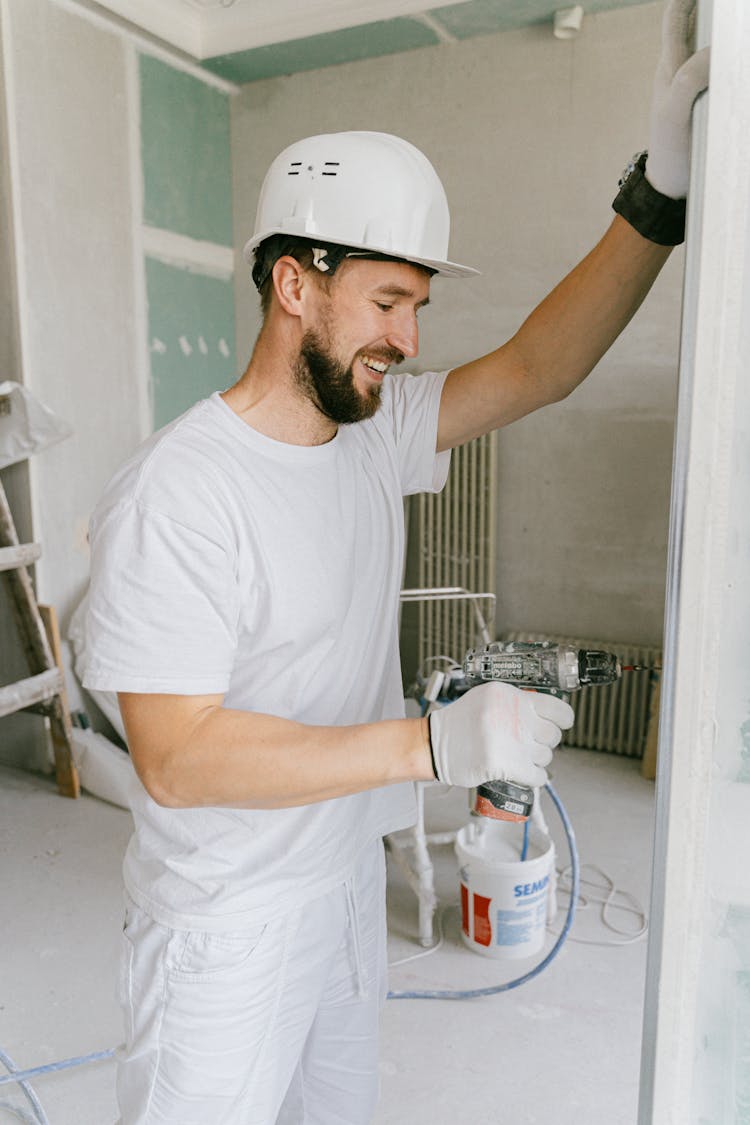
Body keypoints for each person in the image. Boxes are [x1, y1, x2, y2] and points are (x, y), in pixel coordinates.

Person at [84, 2, 708, 1121]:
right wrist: (431, 743)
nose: (408, 341)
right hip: (223, 930)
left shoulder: (372, 435)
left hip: (335, 895)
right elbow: (177, 757)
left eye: (417, 308)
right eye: (385, 302)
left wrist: (657, 196)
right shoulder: (180, 493)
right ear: (294, 284)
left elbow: (540, 367)